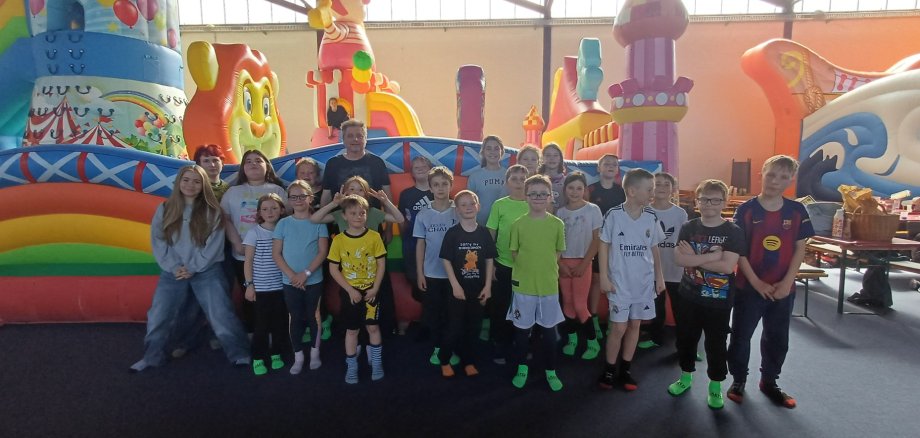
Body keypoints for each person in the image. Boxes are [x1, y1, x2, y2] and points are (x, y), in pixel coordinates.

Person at [130, 166, 250, 372]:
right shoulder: (165, 208)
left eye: (196, 181)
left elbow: (213, 245)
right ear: (179, 182)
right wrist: (174, 267)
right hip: (172, 273)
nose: (190, 185)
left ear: (203, 185)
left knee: (221, 314)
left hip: (207, 271)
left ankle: (240, 354)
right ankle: (152, 356)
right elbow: (158, 241)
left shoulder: (212, 211)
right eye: (186, 180)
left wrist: (193, 267)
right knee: (159, 315)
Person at [727, 155, 813, 409]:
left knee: (777, 338)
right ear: (762, 173)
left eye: (783, 177)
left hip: (782, 288)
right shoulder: (747, 210)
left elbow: (800, 249)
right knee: (741, 336)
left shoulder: (797, 211)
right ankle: (738, 380)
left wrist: (787, 282)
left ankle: (769, 381)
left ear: (791, 180)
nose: (776, 181)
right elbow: (739, 251)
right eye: (771, 174)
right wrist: (756, 282)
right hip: (749, 286)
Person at [669, 179, 746, 409]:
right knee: (686, 338)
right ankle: (685, 376)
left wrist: (696, 259)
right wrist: (712, 257)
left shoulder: (733, 231)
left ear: (724, 202)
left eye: (715, 200)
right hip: (689, 295)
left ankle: (715, 386)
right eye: (704, 199)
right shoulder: (689, 227)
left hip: (718, 300)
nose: (709, 204)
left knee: (716, 343)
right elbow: (679, 259)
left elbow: (727, 267)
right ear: (697, 201)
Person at [597, 168, 666, 392]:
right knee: (618, 327)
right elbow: (604, 246)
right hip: (620, 282)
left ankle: (625, 368)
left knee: (635, 324)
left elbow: (654, 248)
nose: (652, 194)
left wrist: (659, 277)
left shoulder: (651, 216)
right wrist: (604, 278)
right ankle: (609, 369)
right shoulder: (613, 215)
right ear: (632, 191)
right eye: (649, 189)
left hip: (643, 282)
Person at [507, 174, 566, 391]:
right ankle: (522, 367)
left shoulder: (557, 224)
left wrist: (544, 269)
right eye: (534, 194)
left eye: (543, 194)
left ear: (550, 196)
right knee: (522, 332)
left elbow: (558, 252)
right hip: (523, 287)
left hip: (549, 286)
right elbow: (514, 253)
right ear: (526, 196)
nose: (538, 198)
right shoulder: (518, 224)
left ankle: (551, 369)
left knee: (549, 333)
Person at [220, 150, 287, 332]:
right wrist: (236, 243)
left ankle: (277, 338)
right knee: (249, 296)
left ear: (267, 166)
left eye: (259, 160)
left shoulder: (278, 190)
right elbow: (224, 218)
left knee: (275, 297)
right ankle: (253, 334)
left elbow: (287, 220)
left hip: (273, 257)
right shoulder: (233, 191)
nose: (253, 164)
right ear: (243, 168)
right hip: (242, 256)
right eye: (248, 161)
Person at [327, 195, 388, 384]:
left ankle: (376, 363)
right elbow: (333, 269)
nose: (358, 216)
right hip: (350, 293)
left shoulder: (374, 236)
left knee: (373, 326)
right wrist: (350, 290)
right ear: (344, 216)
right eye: (353, 213)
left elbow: (381, 264)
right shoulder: (339, 240)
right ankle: (352, 366)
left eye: (362, 213)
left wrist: (376, 288)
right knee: (352, 330)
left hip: (371, 292)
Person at [438, 190, 496, 378]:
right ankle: (445, 359)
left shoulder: (484, 233)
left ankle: (469, 361)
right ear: (457, 210)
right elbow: (446, 260)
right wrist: (455, 285)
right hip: (457, 289)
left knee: (474, 328)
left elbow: (489, 260)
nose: (468, 207)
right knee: (454, 327)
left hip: (478, 289)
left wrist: (487, 286)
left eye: (472, 203)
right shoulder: (452, 234)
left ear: (478, 207)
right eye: (463, 204)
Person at [273, 180, 329, 374]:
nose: (298, 200)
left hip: (313, 280)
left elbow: (322, 252)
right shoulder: (283, 223)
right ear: (288, 200)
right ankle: (299, 356)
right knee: (295, 317)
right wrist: (292, 276)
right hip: (290, 282)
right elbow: (276, 254)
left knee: (314, 316)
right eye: (293, 196)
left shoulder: (318, 222)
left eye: (302, 196)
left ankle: (315, 353)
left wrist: (305, 274)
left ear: (310, 198)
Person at [413, 166, 459, 366]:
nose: (440, 188)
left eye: (444, 184)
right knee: (434, 314)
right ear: (430, 188)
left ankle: (452, 347)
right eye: (436, 184)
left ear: (451, 185)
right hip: (431, 273)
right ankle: (438, 348)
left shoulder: (459, 211)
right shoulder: (423, 214)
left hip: (455, 276)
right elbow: (420, 244)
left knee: (453, 314)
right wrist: (420, 272)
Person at [556, 172, 603, 360]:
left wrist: (585, 264)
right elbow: (556, 242)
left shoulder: (592, 210)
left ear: (584, 190)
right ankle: (572, 339)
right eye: (571, 188)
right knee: (567, 303)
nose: (575, 192)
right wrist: (560, 264)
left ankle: (593, 342)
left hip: (583, 262)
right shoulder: (560, 213)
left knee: (579, 304)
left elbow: (596, 240)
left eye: (579, 188)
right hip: (564, 263)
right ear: (565, 190)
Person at [485, 164, 530, 364]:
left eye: (523, 179)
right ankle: (499, 345)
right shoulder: (499, 205)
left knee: (524, 308)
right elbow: (490, 236)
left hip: (528, 268)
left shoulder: (534, 204)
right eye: (515, 179)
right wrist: (491, 264)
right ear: (507, 182)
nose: (519, 183)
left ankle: (520, 345)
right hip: (503, 265)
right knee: (500, 308)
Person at [639, 172, 689, 349]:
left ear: (673, 189)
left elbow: (684, 241)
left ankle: (686, 345)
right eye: (657, 184)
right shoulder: (644, 210)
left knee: (680, 309)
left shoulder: (680, 213)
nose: (661, 188)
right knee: (657, 306)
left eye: (666, 184)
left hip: (675, 269)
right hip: (651, 269)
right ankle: (656, 337)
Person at [243, 193, 290, 376]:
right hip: (261, 289)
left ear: (282, 210)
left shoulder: (285, 230)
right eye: (265, 209)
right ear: (259, 213)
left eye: (274, 208)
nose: (269, 212)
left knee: (279, 323)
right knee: (261, 326)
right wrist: (249, 285)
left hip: (281, 286)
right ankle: (258, 358)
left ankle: (276, 353)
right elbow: (248, 260)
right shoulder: (254, 232)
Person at [587, 154, 626, 340]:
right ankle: (593, 320)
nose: (610, 166)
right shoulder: (591, 189)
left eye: (614, 164)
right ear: (599, 168)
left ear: (617, 170)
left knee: (616, 280)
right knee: (596, 280)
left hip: (617, 241)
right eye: (606, 164)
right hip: (596, 241)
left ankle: (613, 318)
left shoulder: (622, 191)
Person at [320, 119, 392, 208]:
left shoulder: (377, 163)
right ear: (343, 139)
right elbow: (326, 196)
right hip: (339, 219)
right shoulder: (332, 164)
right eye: (350, 136)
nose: (355, 139)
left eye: (359, 136)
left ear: (365, 139)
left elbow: (387, 195)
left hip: (371, 219)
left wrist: (389, 221)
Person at [398, 156, 433, 309]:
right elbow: (401, 220)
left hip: (433, 245)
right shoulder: (406, 194)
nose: (419, 169)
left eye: (423, 166)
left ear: (430, 170)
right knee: (416, 281)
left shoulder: (438, 191)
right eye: (416, 167)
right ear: (411, 172)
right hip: (412, 244)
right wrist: (404, 238)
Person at [467, 135, 508, 225]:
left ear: (502, 152)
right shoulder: (475, 177)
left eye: (496, 148)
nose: (492, 152)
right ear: (483, 152)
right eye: (489, 148)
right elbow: (469, 203)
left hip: (503, 225)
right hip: (480, 225)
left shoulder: (509, 176)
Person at [537, 142, 566, 210]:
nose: (552, 158)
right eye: (548, 155)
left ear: (560, 159)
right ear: (542, 159)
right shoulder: (536, 180)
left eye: (555, 155)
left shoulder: (567, 181)